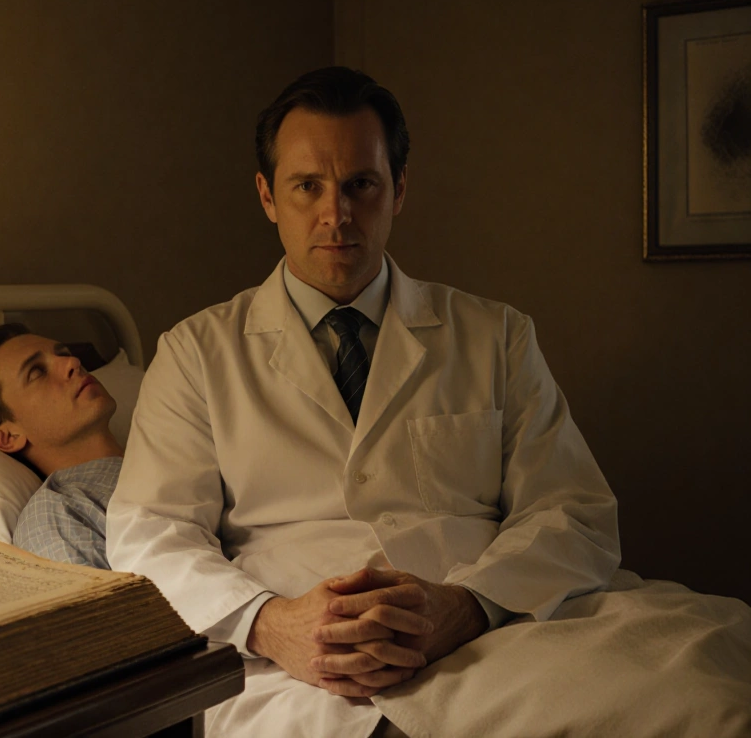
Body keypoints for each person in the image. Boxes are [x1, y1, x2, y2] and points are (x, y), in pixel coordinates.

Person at [105, 67, 624, 736]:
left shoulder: (494, 336)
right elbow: (150, 533)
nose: (336, 215)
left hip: (499, 635)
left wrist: (467, 606)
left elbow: (574, 513)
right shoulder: (196, 354)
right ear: (267, 196)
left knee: (700, 693)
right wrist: (269, 623)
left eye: (361, 185)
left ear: (398, 189)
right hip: (298, 669)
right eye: (307, 187)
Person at [0, 323, 124, 568]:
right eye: (37, 372)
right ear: (8, 437)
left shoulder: (171, 452)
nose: (73, 362)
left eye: (64, 354)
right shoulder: (57, 516)